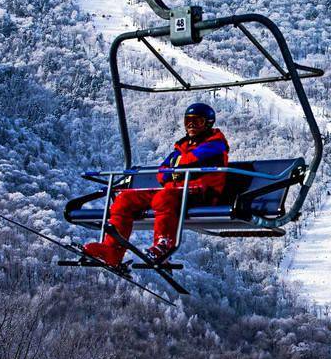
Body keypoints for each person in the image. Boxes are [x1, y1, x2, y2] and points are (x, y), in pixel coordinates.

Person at [84, 103, 229, 266]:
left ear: (208, 123)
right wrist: (176, 168)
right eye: (188, 121)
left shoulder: (215, 144)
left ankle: (164, 245)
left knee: (163, 198)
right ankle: (112, 251)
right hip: (175, 191)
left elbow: (190, 161)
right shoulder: (182, 147)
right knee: (124, 200)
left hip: (202, 193)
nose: (191, 125)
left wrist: (176, 167)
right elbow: (162, 173)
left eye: (198, 121)